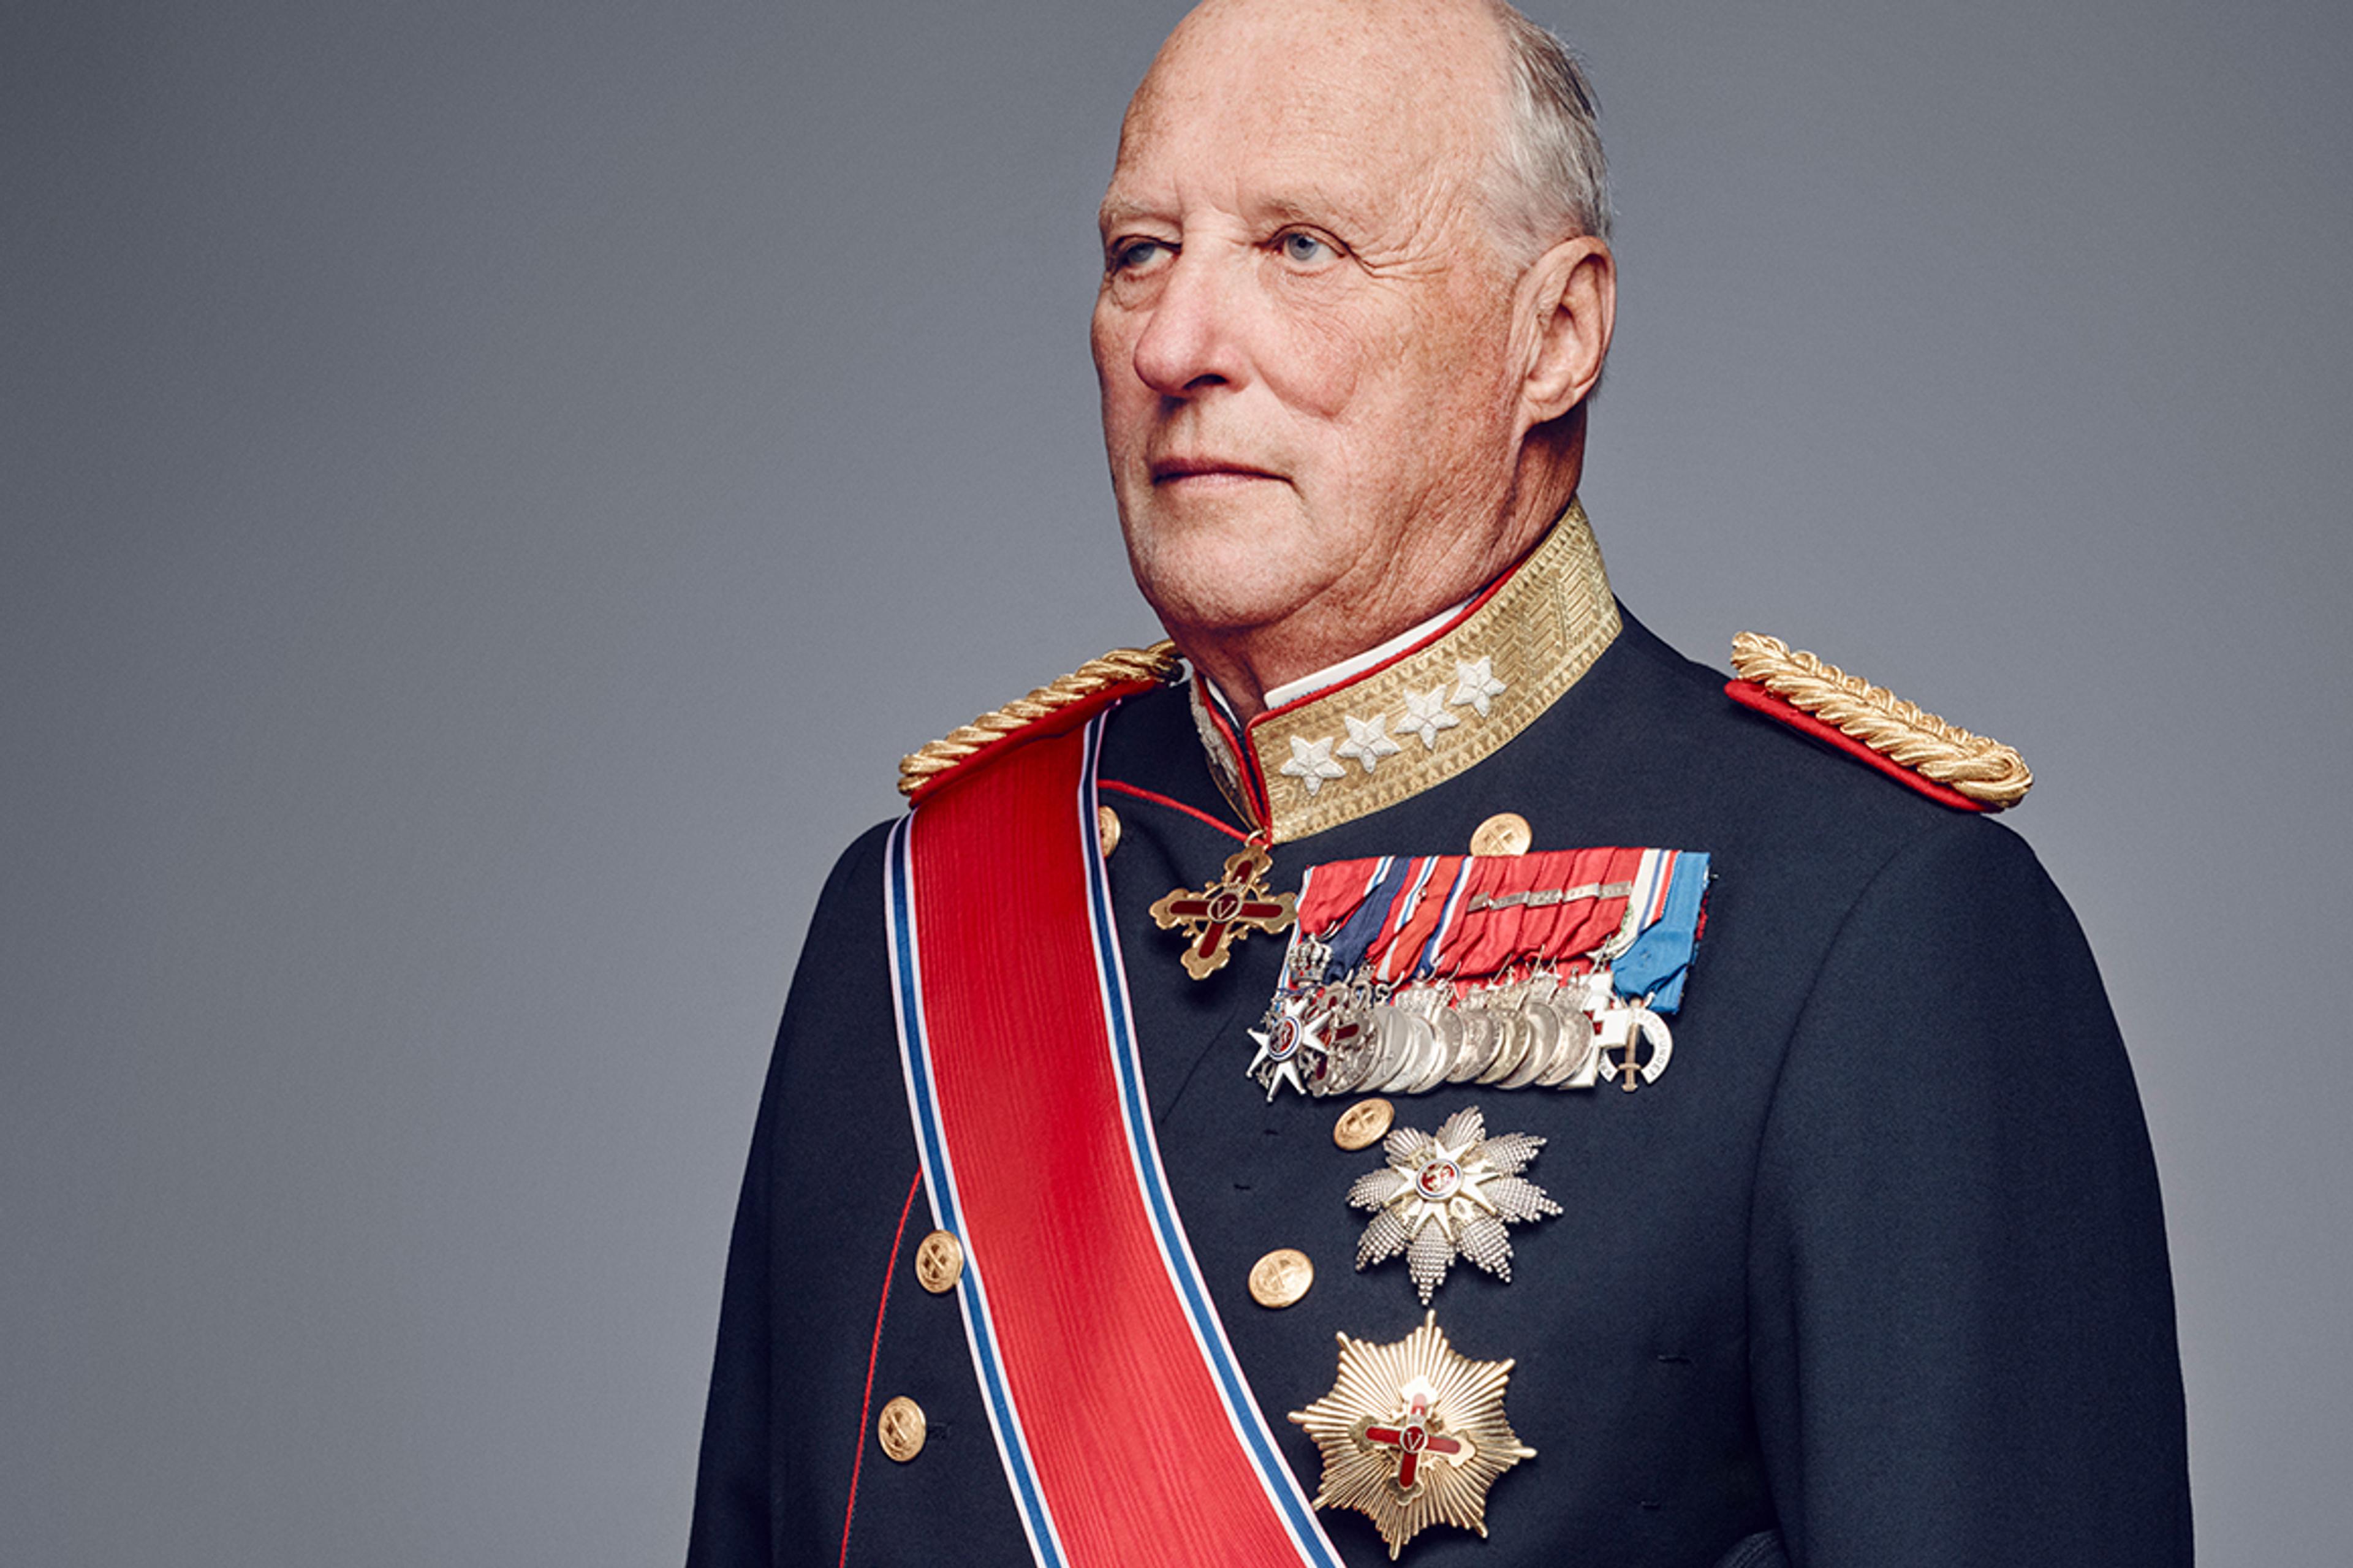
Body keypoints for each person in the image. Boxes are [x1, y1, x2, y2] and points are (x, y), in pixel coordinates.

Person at [687, 1, 2191, 1563]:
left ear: (1556, 335)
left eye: (1302, 247)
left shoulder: (1871, 925)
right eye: (1142, 251)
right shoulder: (909, 915)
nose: (1174, 345)